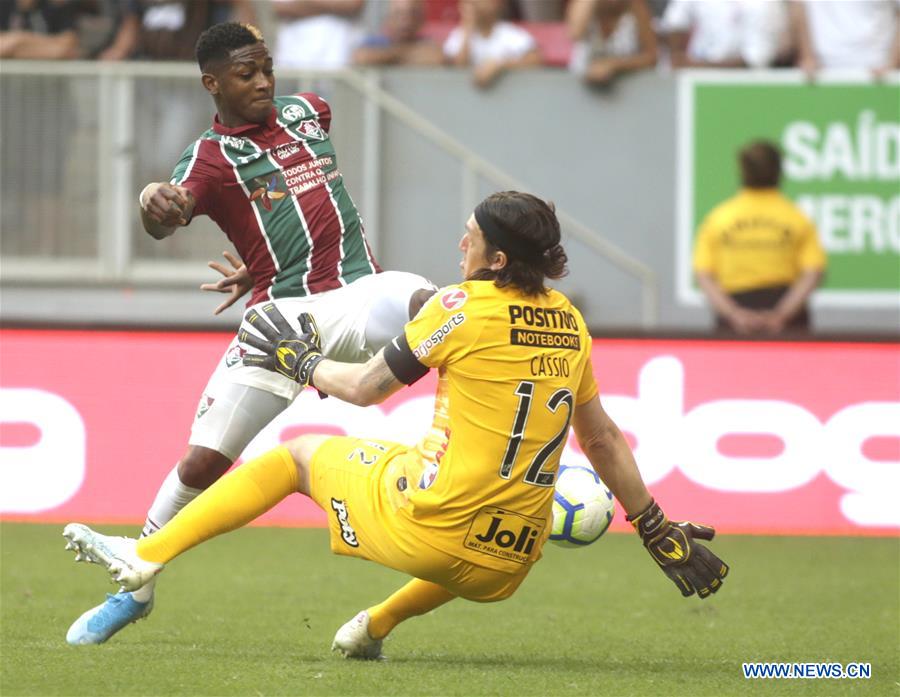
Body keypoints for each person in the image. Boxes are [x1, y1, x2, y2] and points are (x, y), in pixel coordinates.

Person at [64, 191, 729, 659]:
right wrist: (653, 526)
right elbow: (604, 438)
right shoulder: (570, 323)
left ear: (497, 259)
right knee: (476, 516)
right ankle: (373, 626)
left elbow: (359, 389)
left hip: (428, 527)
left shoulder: (460, 306)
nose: (460, 243)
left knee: (298, 457)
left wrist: (300, 360)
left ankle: (143, 555)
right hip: (509, 566)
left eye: (470, 236)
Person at [64, 20, 435, 646]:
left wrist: (266, 251)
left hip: (360, 290)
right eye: (246, 74)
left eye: (267, 69)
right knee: (203, 461)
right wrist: (153, 197)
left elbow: (299, 206)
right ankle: (135, 583)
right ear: (212, 85)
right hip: (283, 317)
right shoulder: (209, 160)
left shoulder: (308, 112)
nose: (263, 82)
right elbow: (169, 209)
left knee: (432, 303)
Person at [693, 140, 827, 336]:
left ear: (742, 170)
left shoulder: (719, 218)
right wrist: (782, 314)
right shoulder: (797, 218)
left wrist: (733, 314)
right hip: (787, 314)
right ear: (780, 171)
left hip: (734, 312)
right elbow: (813, 272)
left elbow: (703, 275)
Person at [661, 0, 791, 69]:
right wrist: (676, 56)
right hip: (691, 79)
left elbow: (755, 58)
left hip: (745, 87)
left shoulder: (766, 3)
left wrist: (700, 67)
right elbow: (674, 23)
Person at [443, 0, 543, 89]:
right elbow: (456, 66)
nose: (475, 4)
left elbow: (535, 59)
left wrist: (500, 64)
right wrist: (468, 27)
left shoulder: (509, 33)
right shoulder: (459, 34)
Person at [790, 0, 900, 78]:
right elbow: (798, 5)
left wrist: (891, 65)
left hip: (876, 69)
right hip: (821, 71)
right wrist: (808, 58)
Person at [565, 0, 657, 86]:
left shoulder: (636, 6)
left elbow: (652, 58)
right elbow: (575, 34)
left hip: (626, 89)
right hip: (579, 86)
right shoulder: (582, 5)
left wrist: (613, 65)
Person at [271, 0, 366, 69]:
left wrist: (302, 4)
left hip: (336, 60)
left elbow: (352, 4)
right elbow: (277, 8)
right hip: (290, 60)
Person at [352, 0, 442, 66]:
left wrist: (386, 57)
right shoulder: (374, 42)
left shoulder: (428, 42)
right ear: (388, 17)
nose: (406, 22)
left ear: (421, 19)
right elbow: (361, 58)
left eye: (412, 14)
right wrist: (408, 53)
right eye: (399, 14)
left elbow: (438, 58)